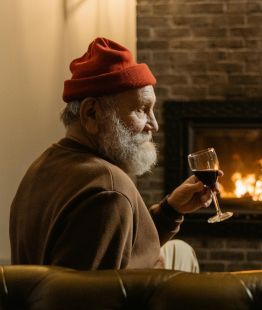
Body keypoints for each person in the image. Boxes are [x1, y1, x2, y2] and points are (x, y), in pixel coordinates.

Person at [9, 37, 213, 271]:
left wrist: (170, 211)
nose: (154, 125)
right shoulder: (108, 190)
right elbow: (97, 298)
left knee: (180, 250)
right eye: (141, 109)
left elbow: (115, 246)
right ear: (92, 113)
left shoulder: (41, 166)